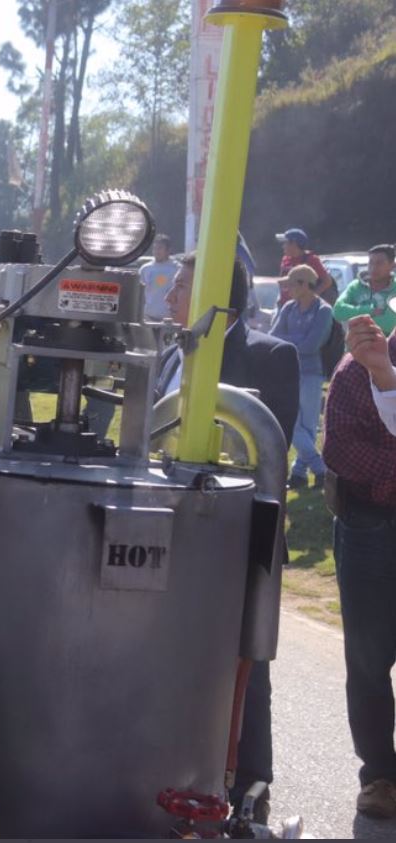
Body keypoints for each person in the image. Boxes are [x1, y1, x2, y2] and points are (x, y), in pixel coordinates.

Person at [159, 253, 298, 822]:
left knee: (245, 661)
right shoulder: (169, 355)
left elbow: (269, 450)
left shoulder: (272, 356)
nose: (168, 296)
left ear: (217, 293)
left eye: (181, 285)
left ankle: (250, 786)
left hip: (236, 539)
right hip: (167, 535)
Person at [322, 314, 396, 819]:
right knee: (369, 662)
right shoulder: (354, 369)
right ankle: (380, 777)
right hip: (372, 530)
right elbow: (340, 450)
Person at [270, 264, 333, 489]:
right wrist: (297, 337)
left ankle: (298, 473)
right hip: (288, 371)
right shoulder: (288, 307)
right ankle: (320, 468)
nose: (287, 289)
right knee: (294, 422)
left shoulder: (324, 310)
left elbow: (311, 345)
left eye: (291, 284)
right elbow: (274, 336)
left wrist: (290, 338)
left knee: (306, 424)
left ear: (305, 285)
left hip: (311, 373)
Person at [332, 244, 396, 336]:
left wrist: (355, 320)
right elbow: (338, 311)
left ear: (392, 265)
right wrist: (369, 311)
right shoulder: (355, 287)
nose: (373, 267)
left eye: (379, 263)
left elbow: (391, 323)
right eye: (371, 262)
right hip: (355, 347)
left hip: (387, 348)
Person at [276, 227, 336, 305]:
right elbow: (282, 283)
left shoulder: (311, 259)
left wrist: (310, 297)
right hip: (284, 305)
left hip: (300, 307)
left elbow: (327, 281)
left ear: (294, 244)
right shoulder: (285, 259)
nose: (283, 246)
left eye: (285, 243)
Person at [140, 233, 178, 321]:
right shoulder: (145, 269)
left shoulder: (177, 268)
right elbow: (140, 294)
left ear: (168, 250)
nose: (156, 251)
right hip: (148, 317)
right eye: (155, 248)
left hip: (169, 319)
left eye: (160, 248)